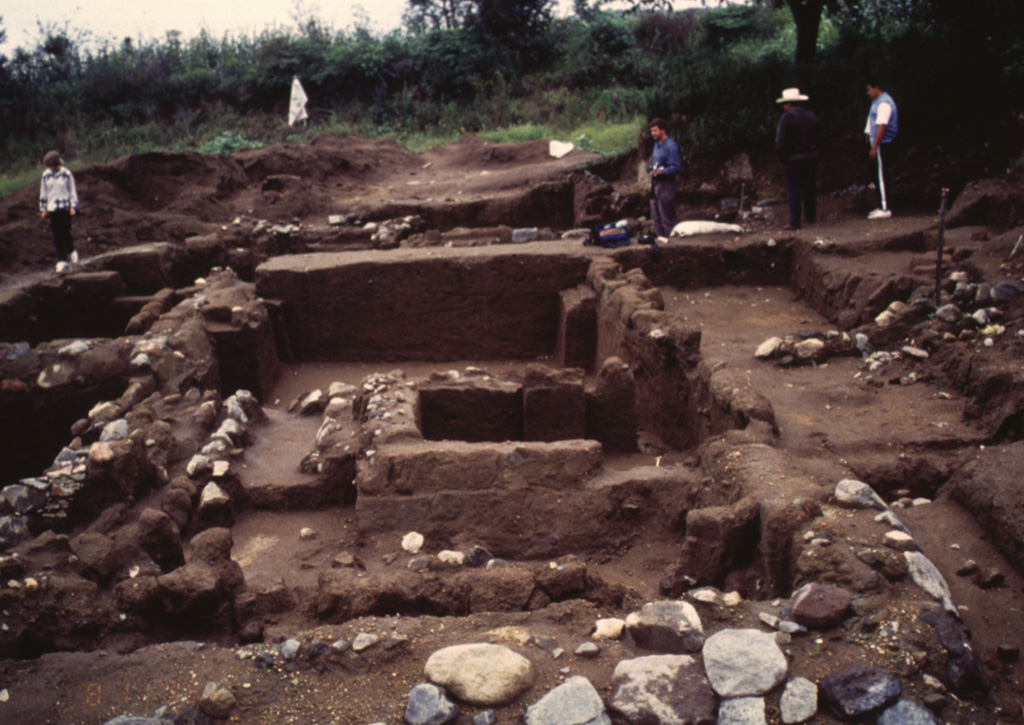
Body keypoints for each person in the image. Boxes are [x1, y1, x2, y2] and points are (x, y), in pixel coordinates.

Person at [775, 87, 819, 230]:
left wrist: (782, 158)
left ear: (789, 104)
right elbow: (819, 136)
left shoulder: (787, 117)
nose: (783, 107)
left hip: (794, 158)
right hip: (812, 157)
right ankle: (810, 215)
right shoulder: (811, 115)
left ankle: (794, 221)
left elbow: (779, 141)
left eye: (784, 104)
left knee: (794, 189)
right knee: (810, 187)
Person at [39, 150, 79, 273]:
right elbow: (43, 192)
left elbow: (72, 190)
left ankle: (71, 250)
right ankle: (61, 260)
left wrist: (73, 205)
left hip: (65, 207)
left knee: (65, 231)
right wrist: (43, 208)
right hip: (52, 208)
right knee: (56, 235)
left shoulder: (66, 174)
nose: (53, 167)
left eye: (54, 164)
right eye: (50, 165)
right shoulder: (45, 175)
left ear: (58, 163)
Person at [865, 81, 898, 219]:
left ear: (877, 87)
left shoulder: (884, 103)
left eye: (869, 89)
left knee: (881, 175)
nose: (868, 93)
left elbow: (882, 126)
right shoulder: (877, 101)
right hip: (877, 143)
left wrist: (874, 146)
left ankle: (885, 208)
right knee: (878, 175)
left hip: (881, 144)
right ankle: (881, 205)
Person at [647, 118, 681, 242]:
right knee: (656, 217)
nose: (653, 134)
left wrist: (663, 172)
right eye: (652, 131)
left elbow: (676, 167)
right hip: (655, 184)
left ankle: (671, 243)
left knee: (666, 216)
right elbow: (653, 163)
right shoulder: (656, 145)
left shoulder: (671, 146)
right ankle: (660, 242)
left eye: (655, 131)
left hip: (666, 184)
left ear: (663, 130)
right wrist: (651, 179)